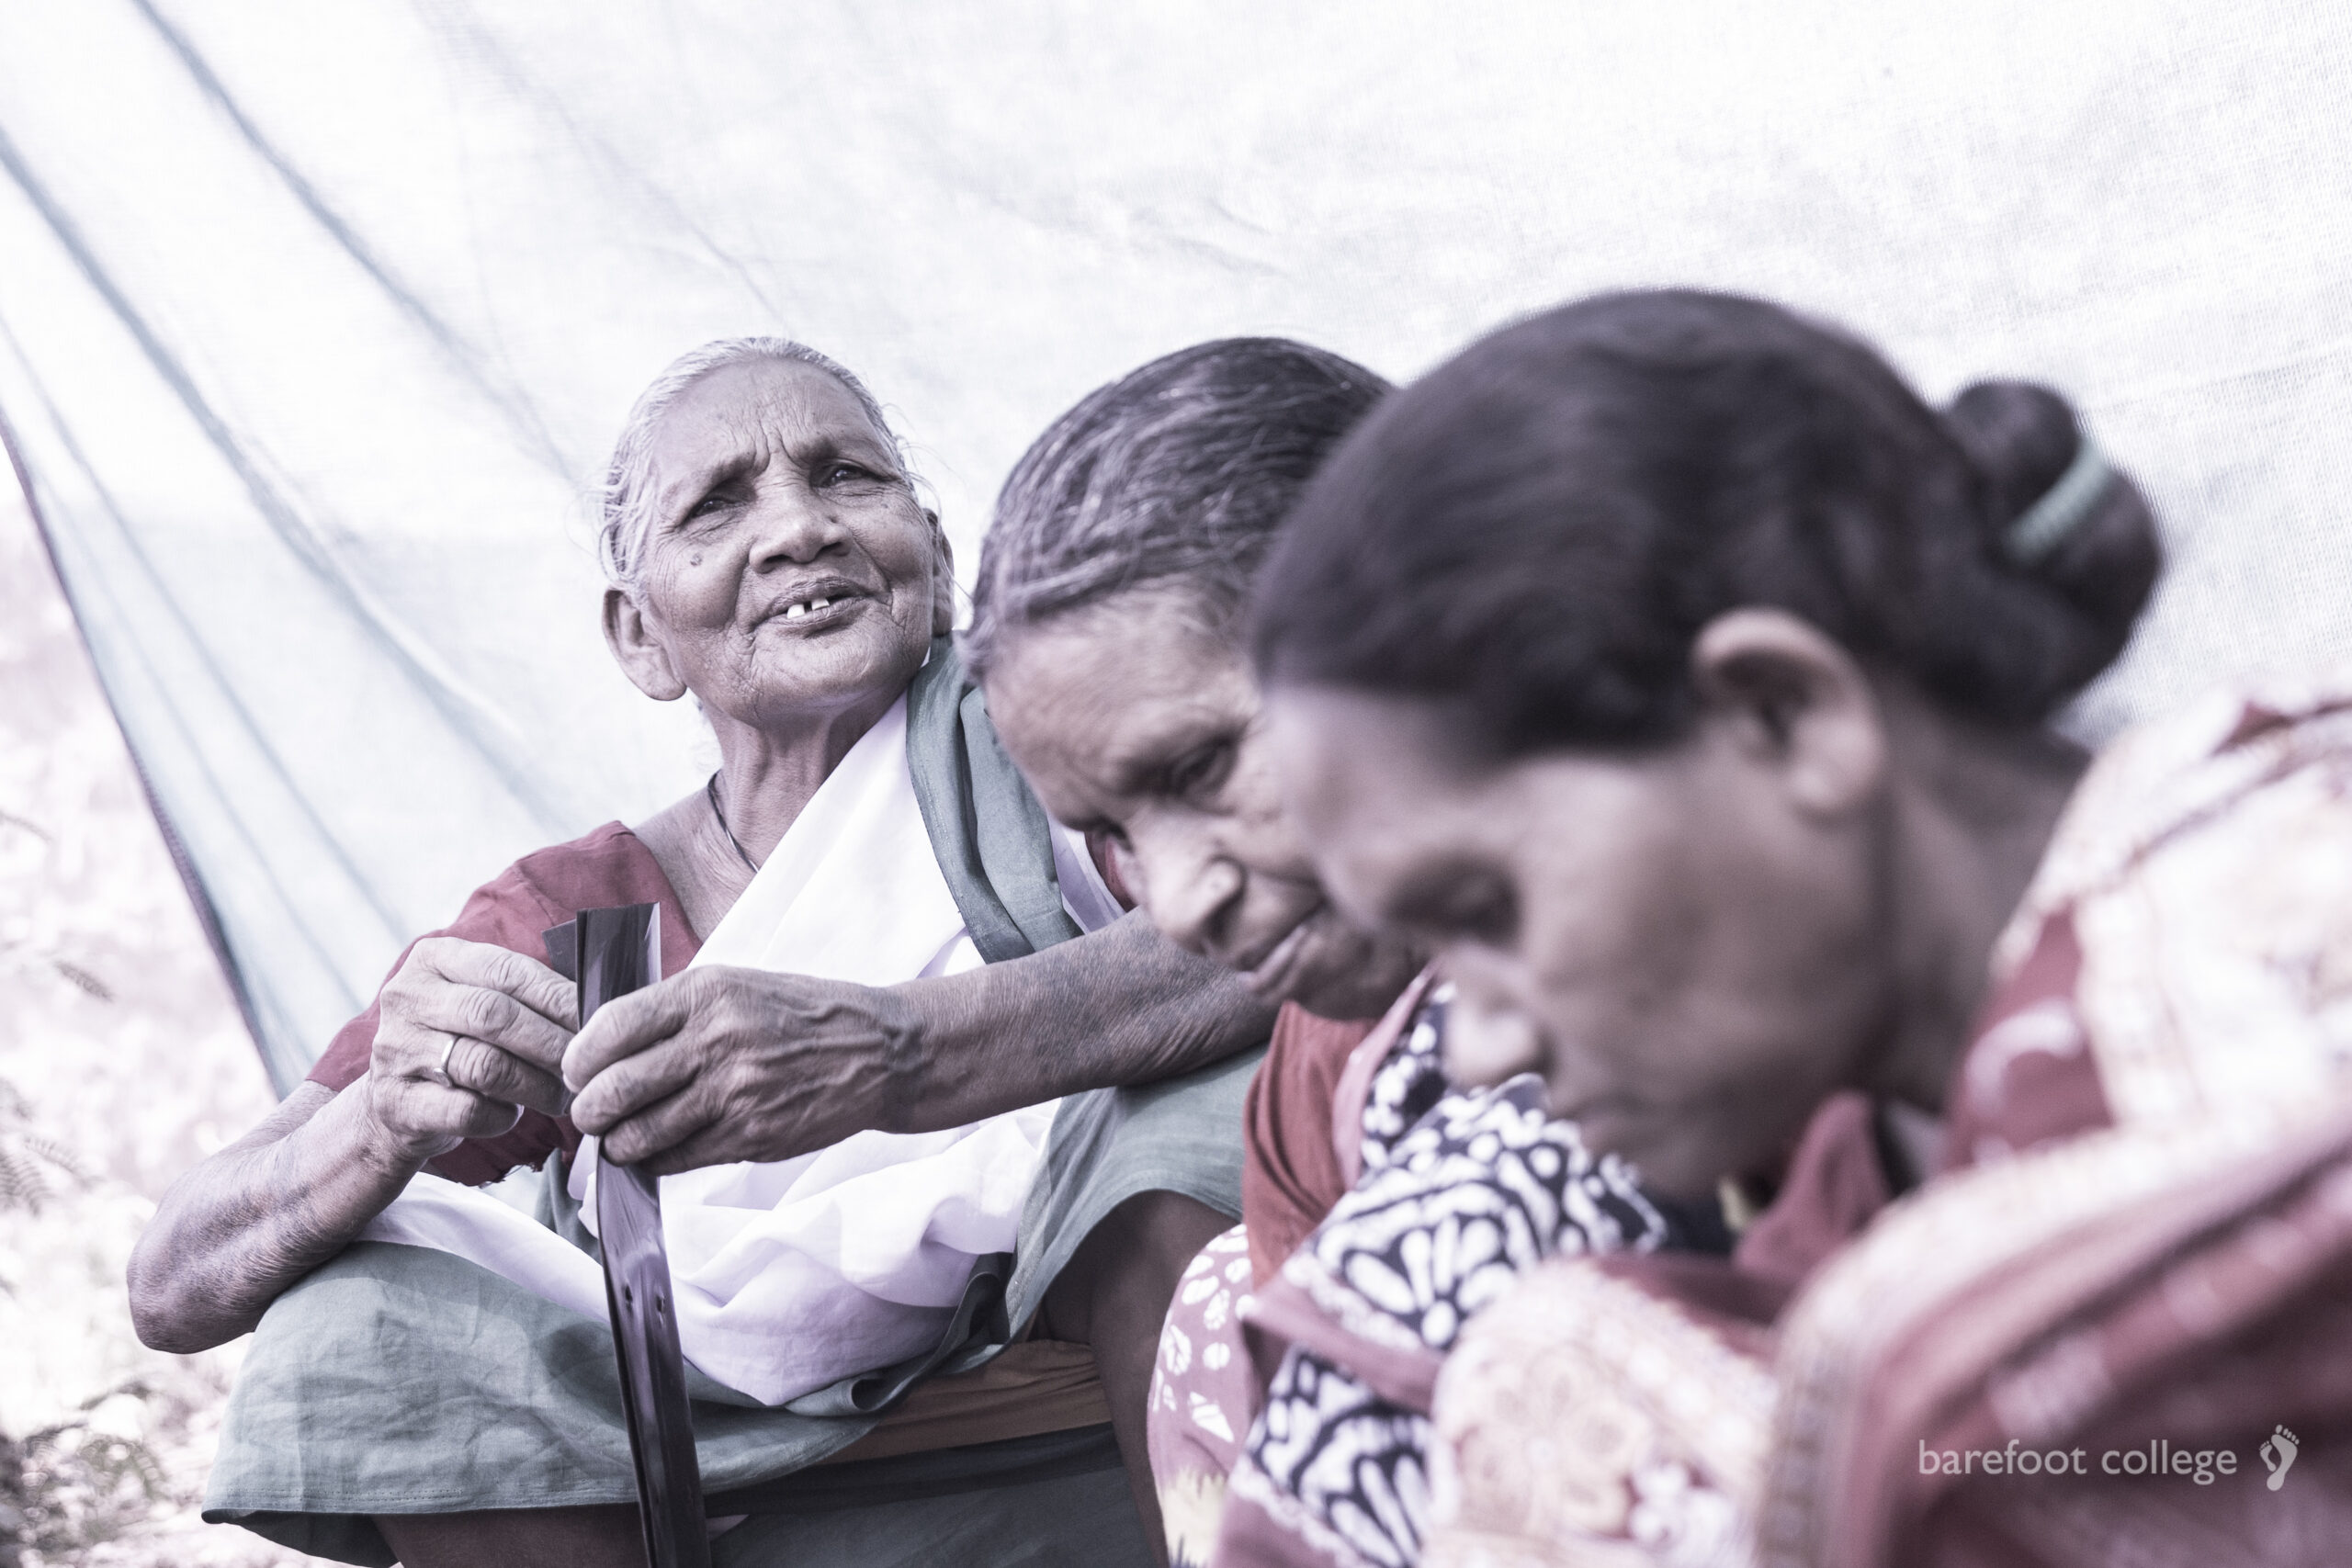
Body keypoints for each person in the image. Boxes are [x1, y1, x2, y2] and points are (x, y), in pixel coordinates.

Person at [129, 338, 1274, 1568]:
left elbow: (1313, 911)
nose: (800, 528)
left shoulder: (1062, 744)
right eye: (717, 505)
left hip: (1097, 1389)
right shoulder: (578, 919)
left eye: (846, 476)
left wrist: (901, 1053)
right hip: (721, 1464)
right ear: (641, 637)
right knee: (356, 1325)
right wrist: (378, 1123)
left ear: (936, 564)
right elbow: (173, 1285)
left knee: (1194, 1121)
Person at [1251, 288, 2352, 1564]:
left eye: (1488, 909)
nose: (1480, 1045)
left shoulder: (2282, 959)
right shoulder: (1853, 1174)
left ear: (1784, 714)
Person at [967, 338, 1713, 1568]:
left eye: (1201, 768)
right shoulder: (1326, 1079)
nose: (1178, 902)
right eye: (1113, 836)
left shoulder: (1768, 908)